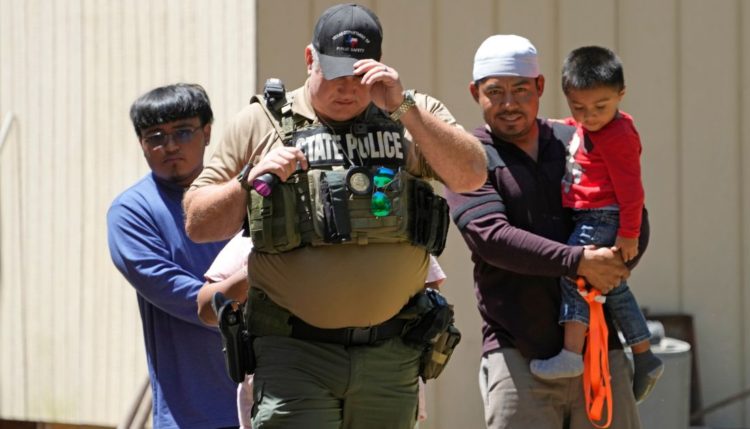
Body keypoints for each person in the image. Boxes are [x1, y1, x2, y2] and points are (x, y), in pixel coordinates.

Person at [182, 4, 487, 428]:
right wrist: (250, 179)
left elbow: (471, 175)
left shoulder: (410, 115)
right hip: (295, 355)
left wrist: (404, 108)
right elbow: (197, 223)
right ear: (310, 59)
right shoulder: (262, 121)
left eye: (359, 76)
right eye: (334, 73)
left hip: (392, 353)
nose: (347, 89)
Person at [444, 34, 650, 428]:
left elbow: (631, 212)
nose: (509, 103)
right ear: (475, 93)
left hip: (599, 354)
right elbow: (492, 238)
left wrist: (617, 263)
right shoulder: (468, 155)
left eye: (521, 90)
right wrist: (581, 262)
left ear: (540, 87)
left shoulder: (578, 138)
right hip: (519, 356)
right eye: (495, 92)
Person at [195, 233, 448, 429]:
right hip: (290, 381)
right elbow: (207, 306)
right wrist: (262, 267)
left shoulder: (380, 218)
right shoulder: (269, 227)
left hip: (382, 379)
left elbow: (430, 284)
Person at [529, 45, 664, 403]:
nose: (589, 116)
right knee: (612, 286)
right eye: (578, 107)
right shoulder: (591, 126)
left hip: (604, 215)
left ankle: (572, 355)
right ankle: (645, 355)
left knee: (573, 268)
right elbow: (577, 127)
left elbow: (632, 191)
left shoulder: (617, 135)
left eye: (600, 107)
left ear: (621, 95)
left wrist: (629, 233)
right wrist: (555, 123)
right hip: (592, 215)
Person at [107, 84, 237, 428]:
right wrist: (258, 276)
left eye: (183, 131)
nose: (171, 145)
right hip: (194, 413)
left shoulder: (242, 196)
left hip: (273, 400)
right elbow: (191, 300)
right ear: (142, 145)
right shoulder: (132, 212)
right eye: (155, 136)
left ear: (207, 132)